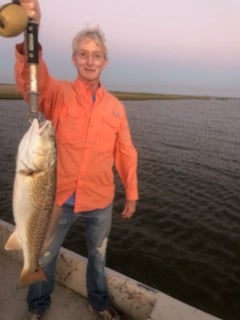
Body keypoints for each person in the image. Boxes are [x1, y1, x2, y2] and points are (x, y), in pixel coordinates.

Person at [15, 1, 138, 320]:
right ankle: (37, 306)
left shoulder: (115, 107)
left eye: (96, 55)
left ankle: (98, 302)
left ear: (105, 62)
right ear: (74, 59)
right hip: (57, 197)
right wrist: (33, 30)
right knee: (46, 252)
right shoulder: (58, 93)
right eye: (83, 54)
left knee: (98, 257)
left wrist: (132, 192)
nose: (89, 60)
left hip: (100, 198)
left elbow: (125, 151)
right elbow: (33, 82)